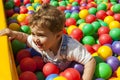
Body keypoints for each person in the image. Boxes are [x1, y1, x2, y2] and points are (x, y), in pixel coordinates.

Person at [0, 3, 96, 80]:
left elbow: (90, 61)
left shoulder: (70, 48)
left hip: (70, 69)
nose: (35, 38)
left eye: (41, 35)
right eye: (33, 33)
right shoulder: (38, 42)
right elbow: (25, 38)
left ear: (58, 35)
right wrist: (12, 33)